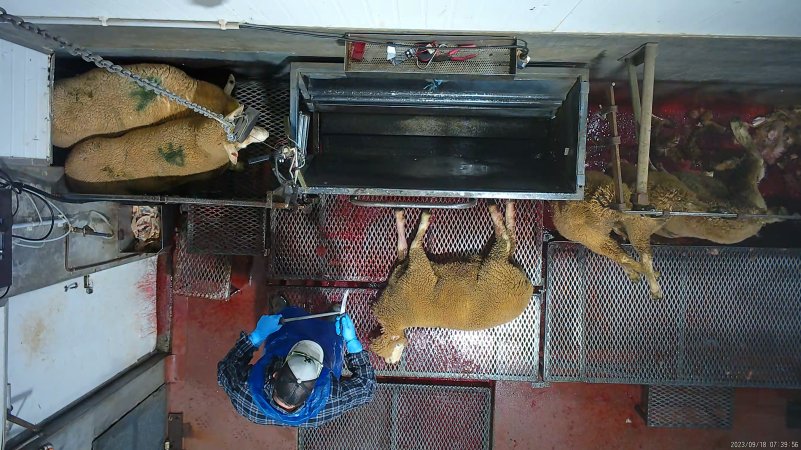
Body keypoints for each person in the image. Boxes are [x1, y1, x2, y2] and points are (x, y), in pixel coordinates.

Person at [217, 297, 376, 427]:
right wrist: (352, 343)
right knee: (330, 334)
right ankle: (329, 321)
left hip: (282, 342)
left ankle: (282, 312)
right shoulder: (329, 402)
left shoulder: (244, 394)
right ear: (314, 388)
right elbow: (366, 387)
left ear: (275, 374)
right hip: (328, 353)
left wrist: (256, 337)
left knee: (283, 323)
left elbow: (225, 370)